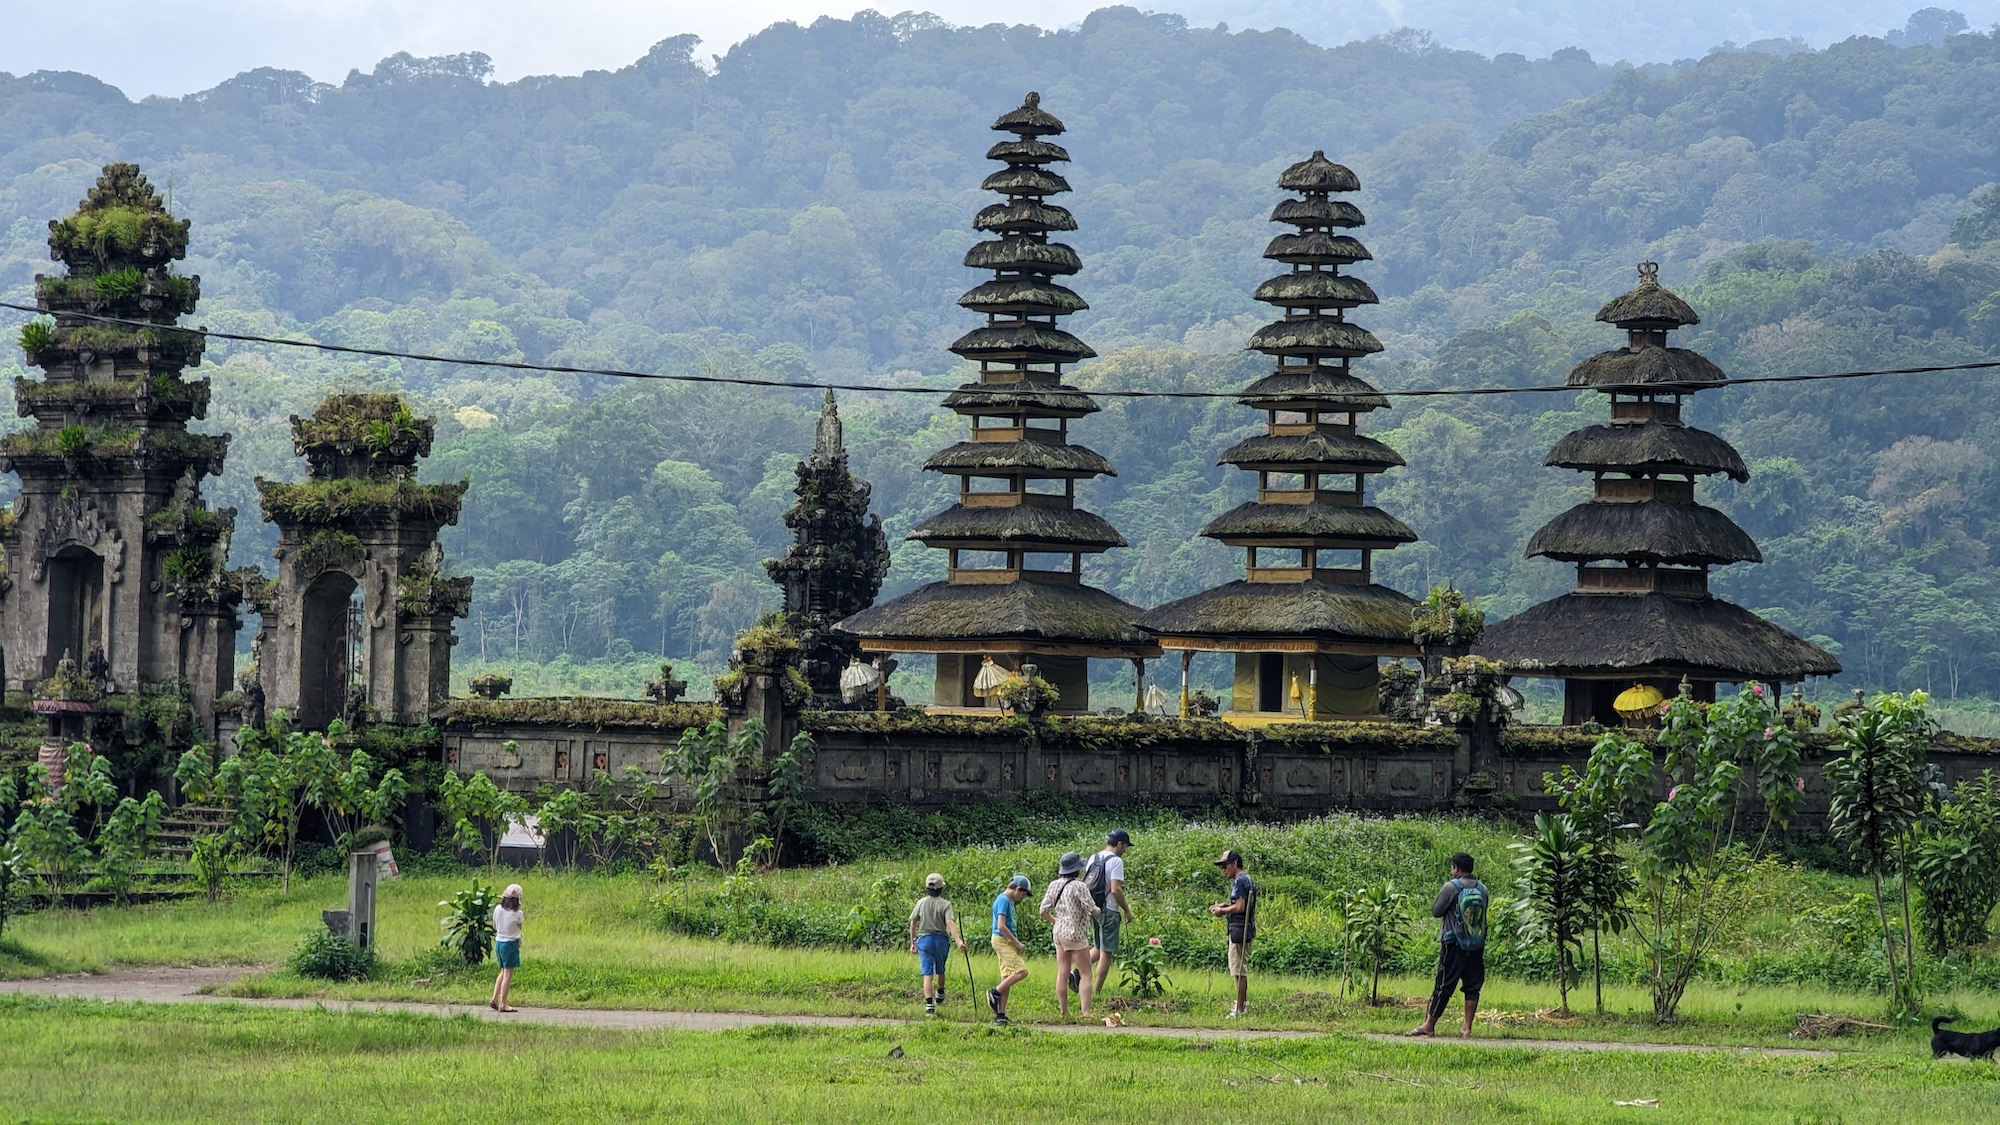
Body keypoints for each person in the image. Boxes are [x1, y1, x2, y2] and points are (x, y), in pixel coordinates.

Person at [1410, 852, 1489, 1038]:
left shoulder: (1451, 887)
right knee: (1472, 985)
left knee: (1444, 984)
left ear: (1456, 868)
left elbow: (1436, 911)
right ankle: (1467, 1027)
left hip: (1453, 943)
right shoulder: (1482, 889)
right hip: (1476, 944)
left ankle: (1429, 1025)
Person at [1039, 851, 1101, 1020]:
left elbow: (1043, 910)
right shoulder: (1079, 886)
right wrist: (1098, 910)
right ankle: (1086, 1012)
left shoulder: (1054, 885)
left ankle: (1064, 1011)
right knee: (1086, 973)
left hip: (1059, 933)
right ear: (1077, 869)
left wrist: (1054, 921)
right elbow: (1092, 909)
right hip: (1076, 934)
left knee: (1063, 972)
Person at [1085, 829, 1135, 996]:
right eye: (1125, 846)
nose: (1125, 850)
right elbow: (1115, 889)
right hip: (1109, 909)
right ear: (1119, 844)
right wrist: (1127, 911)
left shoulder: (1093, 858)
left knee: (1098, 948)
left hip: (1093, 908)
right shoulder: (1116, 861)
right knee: (1106, 952)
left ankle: (1075, 973)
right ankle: (1096, 992)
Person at [1206, 850, 1254, 1019]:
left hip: (1239, 930)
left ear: (1234, 864)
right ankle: (1241, 1006)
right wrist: (1227, 905)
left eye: (1225, 866)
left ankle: (1239, 1009)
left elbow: (1240, 907)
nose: (1224, 870)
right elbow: (1241, 904)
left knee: (1238, 970)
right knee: (1239, 968)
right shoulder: (1247, 879)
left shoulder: (1238, 881)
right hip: (1245, 928)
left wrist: (1222, 910)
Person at [908, 872, 965, 1015]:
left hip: (924, 940)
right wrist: (958, 941)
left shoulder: (920, 903)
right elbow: (950, 923)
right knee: (941, 969)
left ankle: (929, 1005)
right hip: (941, 940)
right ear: (941, 889)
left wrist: (912, 942)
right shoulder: (945, 904)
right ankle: (940, 992)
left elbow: (913, 923)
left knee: (927, 973)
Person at [988, 874, 1032, 1026]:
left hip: (1005, 941)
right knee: (1021, 972)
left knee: (1007, 976)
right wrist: (1017, 943)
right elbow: (1001, 925)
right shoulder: (1003, 900)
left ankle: (1000, 1014)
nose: (1023, 898)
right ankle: (994, 992)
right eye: (1024, 894)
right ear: (1018, 889)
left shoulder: (1009, 901)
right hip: (1002, 940)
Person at [489, 883, 523, 1013]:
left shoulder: (498, 909)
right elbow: (519, 927)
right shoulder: (518, 913)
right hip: (510, 944)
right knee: (508, 974)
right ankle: (503, 1003)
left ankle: (494, 999)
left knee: (502, 972)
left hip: (498, 943)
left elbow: (494, 926)